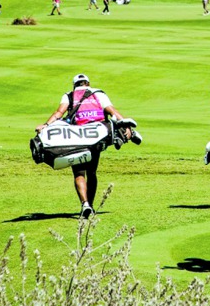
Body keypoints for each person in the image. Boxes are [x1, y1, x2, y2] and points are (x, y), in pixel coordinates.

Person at [36, 73, 136, 218]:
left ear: (74, 85)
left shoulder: (69, 95)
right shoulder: (98, 93)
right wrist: (128, 127)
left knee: (78, 173)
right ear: (87, 84)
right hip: (96, 137)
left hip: (76, 138)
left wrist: (45, 125)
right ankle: (91, 206)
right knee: (92, 172)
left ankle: (85, 204)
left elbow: (59, 113)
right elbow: (112, 111)